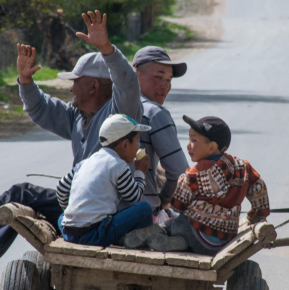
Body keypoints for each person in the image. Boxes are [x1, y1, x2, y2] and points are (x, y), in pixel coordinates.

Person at [0, 10, 142, 283]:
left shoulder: (118, 116)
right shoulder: (78, 116)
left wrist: (106, 49)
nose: (70, 89)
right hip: (82, 205)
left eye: (75, 83)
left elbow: (127, 84)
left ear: (93, 86)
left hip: (102, 213)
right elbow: (42, 109)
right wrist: (26, 81)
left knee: (21, 194)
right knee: (20, 210)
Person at [129, 115, 271, 255]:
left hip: (195, 236)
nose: (188, 144)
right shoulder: (243, 167)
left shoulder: (193, 175)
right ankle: (169, 236)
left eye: (193, 140)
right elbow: (258, 188)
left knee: (179, 221)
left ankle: (168, 236)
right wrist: (256, 216)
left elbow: (178, 206)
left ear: (212, 148)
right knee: (182, 221)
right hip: (223, 241)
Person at [55, 114, 153, 247]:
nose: (137, 146)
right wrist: (140, 171)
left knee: (63, 217)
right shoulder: (118, 165)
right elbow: (134, 197)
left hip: (69, 233)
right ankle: (131, 240)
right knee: (144, 208)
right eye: (136, 141)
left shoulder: (85, 162)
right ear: (125, 144)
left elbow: (61, 188)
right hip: (96, 235)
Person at [130, 46, 188, 212]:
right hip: (140, 210)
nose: (165, 86)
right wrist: (163, 200)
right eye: (158, 77)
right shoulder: (154, 113)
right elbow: (180, 174)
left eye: (169, 80)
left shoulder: (107, 106)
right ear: (135, 73)